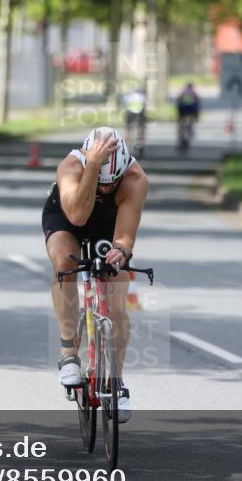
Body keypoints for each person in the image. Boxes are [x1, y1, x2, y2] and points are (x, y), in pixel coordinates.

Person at [41, 127, 149, 423]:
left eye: (110, 184)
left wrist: (121, 252)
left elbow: (125, 235)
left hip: (108, 224)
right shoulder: (71, 166)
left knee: (116, 301)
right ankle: (68, 351)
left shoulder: (135, 179)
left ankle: (116, 381)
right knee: (64, 262)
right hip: (68, 213)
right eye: (102, 184)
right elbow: (77, 216)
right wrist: (93, 167)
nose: (105, 189)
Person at [175, 82, 201, 149]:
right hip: (191, 110)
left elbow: (178, 100)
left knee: (181, 123)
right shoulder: (194, 91)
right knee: (191, 120)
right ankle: (191, 127)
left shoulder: (183, 91)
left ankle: (181, 132)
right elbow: (198, 101)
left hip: (183, 110)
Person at [122, 87, 147, 153]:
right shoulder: (142, 96)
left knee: (128, 129)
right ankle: (140, 141)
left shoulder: (129, 95)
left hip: (130, 113)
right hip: (139, 113)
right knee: (141, 128)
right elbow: (144, 104)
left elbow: (124, 102)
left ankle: (127, 144)